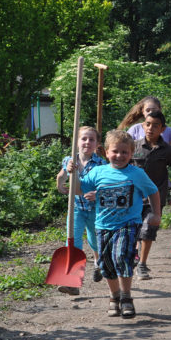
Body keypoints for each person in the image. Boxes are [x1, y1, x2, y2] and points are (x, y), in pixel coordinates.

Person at [73, 130, 160, 319]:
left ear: (131, 153)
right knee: (106, 264)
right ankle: (114, 298)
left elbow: (153, 191)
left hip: (128, 223)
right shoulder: (98, 172)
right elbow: (79, 189)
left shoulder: (137, 173)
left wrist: (156, 214)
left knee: (121, 257)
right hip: (103, 225)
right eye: (115, 151)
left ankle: (127, 298)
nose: (119, 156)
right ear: (105, 152)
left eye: (124, 152)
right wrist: (72, 174)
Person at [55, 126, 107, 295]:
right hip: (76, 209)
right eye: (84, 139)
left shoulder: (101, 163)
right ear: (76, 142)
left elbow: (107, 185)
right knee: (73, 242)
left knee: (94, 239)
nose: (87, 142)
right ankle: (73, 283)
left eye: (92, 139)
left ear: (97, 144)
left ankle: (99, 262)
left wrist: (97, 193)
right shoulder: (70, 160)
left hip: (95, 210)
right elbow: (62, 174)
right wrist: (61, 181)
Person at [131, 111, 171, 280]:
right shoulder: (134, 146)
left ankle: (142, 265)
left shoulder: (168, 150)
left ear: (162, 129)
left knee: (148, 229)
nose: (150, 128)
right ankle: (133, 257)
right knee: (134, 230)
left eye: (155, 125)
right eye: (147, 124)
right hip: (134, 197)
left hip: (156, 197)